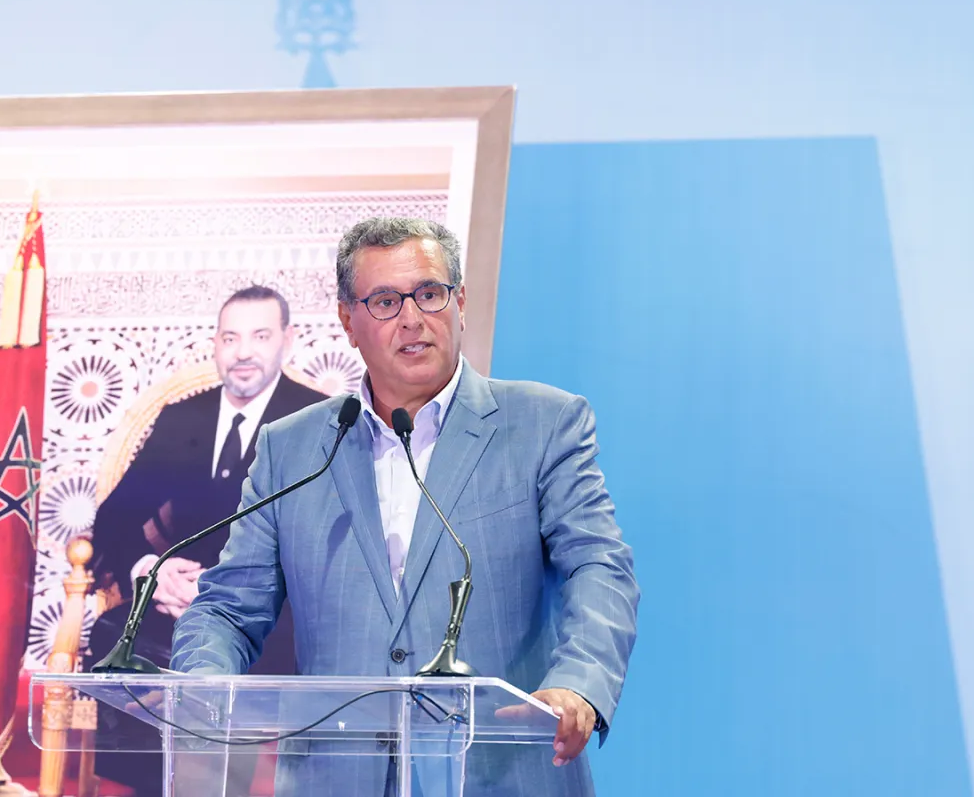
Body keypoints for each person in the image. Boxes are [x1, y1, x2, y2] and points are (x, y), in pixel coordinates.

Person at [171, 218, 639, 797]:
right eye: (386, 301)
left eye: (430, 293)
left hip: (500, 774)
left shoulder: (543, 424)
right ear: (348, 321)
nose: (413, 318)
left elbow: (599, 567)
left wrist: (580, 682)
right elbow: (227, 607)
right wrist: (201, 686)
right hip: (338, 780)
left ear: (460, 302)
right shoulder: (290, 449)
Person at [88, 284, 328, 792]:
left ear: (287, 340)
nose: (243, 352)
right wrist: (153, 573)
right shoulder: (183, 419)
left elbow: (328, 542)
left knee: (239, 662)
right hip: (175, 607)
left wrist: (230, 593)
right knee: (114, 636)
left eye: (260, 336)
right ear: (215, 345)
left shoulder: (317, 418)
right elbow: (113, 520)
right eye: (230, 338)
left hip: (270, 614)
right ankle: (149, 788)